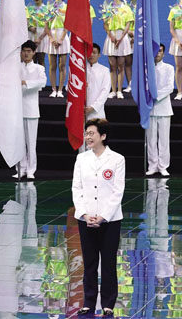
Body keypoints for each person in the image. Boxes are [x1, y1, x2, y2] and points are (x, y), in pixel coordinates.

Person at [71, 118, 125, 318]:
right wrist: (84, 214)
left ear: (103, 136)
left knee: (108, 262)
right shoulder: (81, 159)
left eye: (92, 133)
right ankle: (88, 302)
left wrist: (103, 216)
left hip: (110, 220)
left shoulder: (117, 159)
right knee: (90, 262)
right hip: (86, 219)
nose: (88, 137)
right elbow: (77, 188)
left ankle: (108, 304)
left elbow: (117, 191)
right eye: (86, 133)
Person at [15, 40, 46, 180]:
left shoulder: (39, 68)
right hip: (17, 109)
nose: (26, 54)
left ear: (34, 53)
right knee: (19, 142)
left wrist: (26, 83)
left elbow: (42, 82)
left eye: (29, 51)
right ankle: (20, 169)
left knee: (31, 142)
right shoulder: (16, 67)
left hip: (32, 109)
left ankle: (31, 170)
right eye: (24, 51)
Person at [102, 0, 135, 99]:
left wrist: (121, 38)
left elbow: (128, 25)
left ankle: (120, 91)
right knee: (112, 66)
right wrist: (111, 36)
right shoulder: (107, 8)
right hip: (111, 37)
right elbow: (105, 24)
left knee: (121, 66)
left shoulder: (126, 8)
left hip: (123, 37)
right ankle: (113, 90)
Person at [146, 44, 174, 176]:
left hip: (164, 107)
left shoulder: (169, 68)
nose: (157, 53)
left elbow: (170, 87)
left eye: (160, 51)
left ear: (164, 53)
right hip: (149, 108)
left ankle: (163, 166)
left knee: (163, 139)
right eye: (155, 51)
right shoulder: (146, 68)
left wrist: (155, 97)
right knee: (151, 139)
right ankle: (152, 166)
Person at [45, 0, 69, 97]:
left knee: (62, 65)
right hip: (52, 36)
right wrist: (51, 39)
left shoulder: (67, 7)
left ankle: (60, 90)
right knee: (52, 66)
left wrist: (61, 39)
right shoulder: (49, 7)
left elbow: (68, 25)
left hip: (62, 36)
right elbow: (46, 26)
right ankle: (53, 89)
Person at [85, 43, 110, 121]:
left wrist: (93, 107)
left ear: (99, 55)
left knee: (95, 128)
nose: (91, 55)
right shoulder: (80, 69)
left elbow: (105, 91)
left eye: (94, 53)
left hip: (96, 112)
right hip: (80, 110)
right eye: (89, 52)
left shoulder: (104, 70)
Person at [26, 0, 49, 66]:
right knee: (32, 60)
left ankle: (42, 74)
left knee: (41, 59)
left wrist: (40, 38)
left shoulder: (47, 9)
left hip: (42, 35)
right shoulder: (29, 8)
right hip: (31, 34)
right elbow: (25, 22)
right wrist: (29, 27)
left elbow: (48, 26)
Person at [126, 0, 140, 91]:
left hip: (140, 36)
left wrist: (136, 35)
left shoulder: (143, 8)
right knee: (128, 61)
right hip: (126, 35)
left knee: (139, 62)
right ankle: (130, 84)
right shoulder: (125, 7)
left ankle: (140, 84)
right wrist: (128, 32)